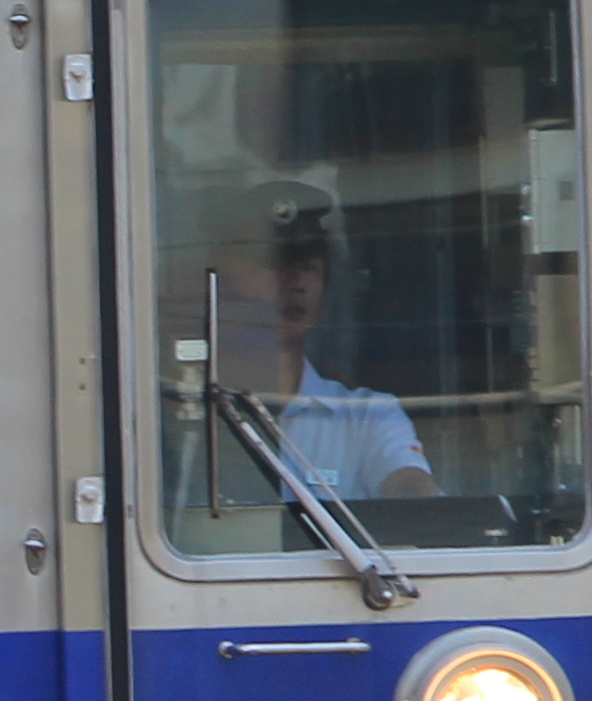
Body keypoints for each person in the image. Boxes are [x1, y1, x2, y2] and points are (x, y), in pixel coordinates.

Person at [169, 173, 434, 507]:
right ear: (218, 280)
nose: (295, 281)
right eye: (272, 262)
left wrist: (423, 500)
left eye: (309, 264)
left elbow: (413, 492)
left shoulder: (366, 416)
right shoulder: (180, 414)